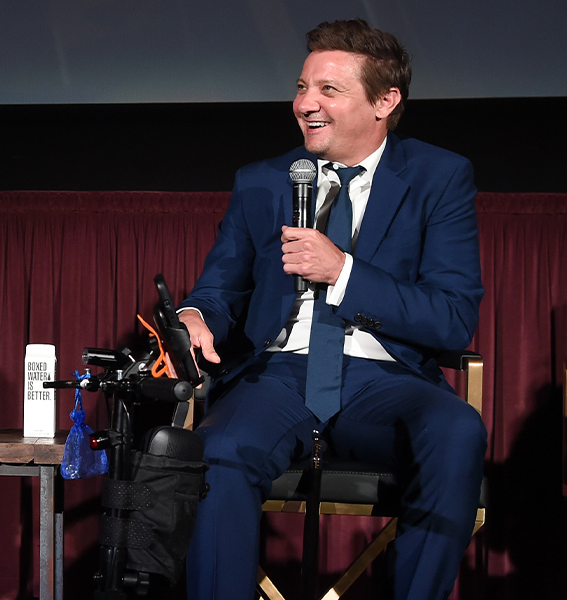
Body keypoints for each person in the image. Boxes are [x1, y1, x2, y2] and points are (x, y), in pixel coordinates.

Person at [178, 19, 487, 600]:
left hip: (385, 379)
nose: (304, 104)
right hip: (280, 375)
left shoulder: (438, 177)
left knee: (456, 431)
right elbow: (220, 290)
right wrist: (196, 316)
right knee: (215, 451)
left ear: (385, 102)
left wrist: (343, 272)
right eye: (301, 87)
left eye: (328, 90)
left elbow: (451, 316)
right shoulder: (262, 181)